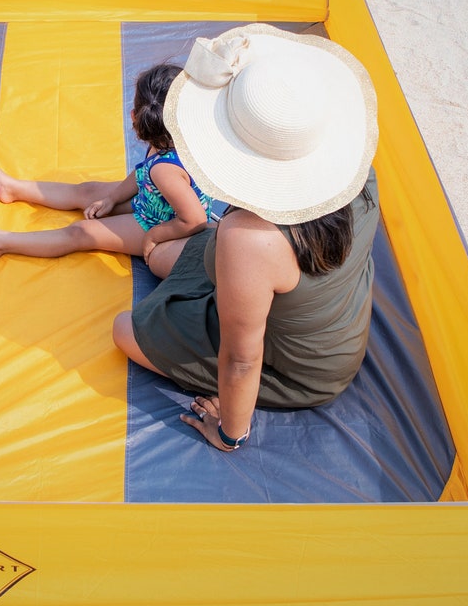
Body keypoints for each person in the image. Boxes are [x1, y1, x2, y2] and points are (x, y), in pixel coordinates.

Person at [111, 24, 382, 454]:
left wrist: (229, 433)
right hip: (327, 320)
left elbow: (242, 359)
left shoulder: (247, 238)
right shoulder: (356, 171)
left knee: (125, 330)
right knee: (162, 255)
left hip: (299, 367)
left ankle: (225, 393)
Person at [0, 63, 213, 273]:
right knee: (88, 191)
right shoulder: (174, 139)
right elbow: (145, 172)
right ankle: (13, 189)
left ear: (136, 117)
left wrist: (156, 235)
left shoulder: (165, 169)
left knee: (80, 232)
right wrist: (112, 198)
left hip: (160, 222)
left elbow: (195, 219)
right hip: (155, 200)